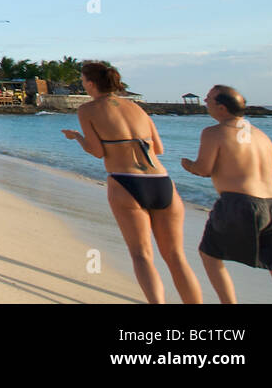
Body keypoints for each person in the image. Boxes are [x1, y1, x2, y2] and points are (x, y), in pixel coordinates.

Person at [61, 61, 202, 304]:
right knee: (176, 257)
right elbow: (159, 148)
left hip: (126, 183)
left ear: (91, 83)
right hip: (161, 181)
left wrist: (78, 138)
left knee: (141, 255)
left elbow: (96, 152)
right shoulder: (137, 108)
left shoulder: (87, 110)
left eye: (83, 81)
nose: (82, 85)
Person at [182, 85, 272, 303]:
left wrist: (188, 165)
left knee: (210, 256)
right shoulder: (262, 136)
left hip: (239, 203)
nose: (205, 101)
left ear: (222, 108)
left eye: (209, 99)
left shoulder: (214, 132)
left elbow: (204, 169)